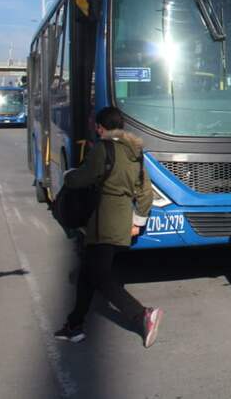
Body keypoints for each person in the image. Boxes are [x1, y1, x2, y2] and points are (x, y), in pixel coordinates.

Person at [53, 107, 162, 348]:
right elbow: (145, 192)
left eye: (97, 126)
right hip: (123, 221)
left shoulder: (103, 149)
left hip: (103, 221)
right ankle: (75, 325)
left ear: (100, 127)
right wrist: (138, 221)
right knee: (88, 273)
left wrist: (69, 175)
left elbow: (82, 178)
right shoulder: (136, 152)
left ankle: (141, 314)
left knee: (99, 276)